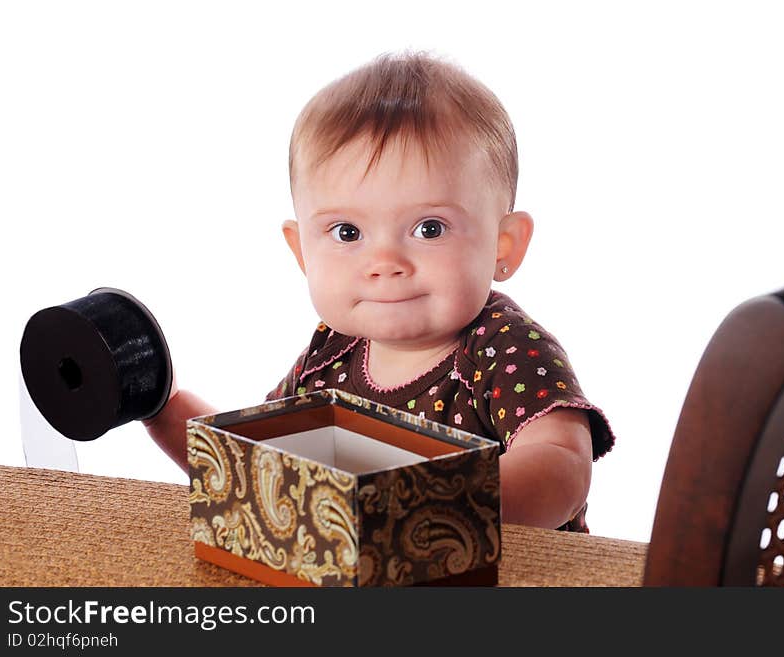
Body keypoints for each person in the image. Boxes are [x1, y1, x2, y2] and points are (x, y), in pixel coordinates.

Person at [144, 50, 615, 532]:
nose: (385, 263)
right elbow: (260, 463)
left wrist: (435, 513)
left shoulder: (502, 348)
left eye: (429, 229)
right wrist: (163, 403)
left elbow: (561, 464)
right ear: (302, 251)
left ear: (504, 245)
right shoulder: (329, 353)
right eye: (348, 233)